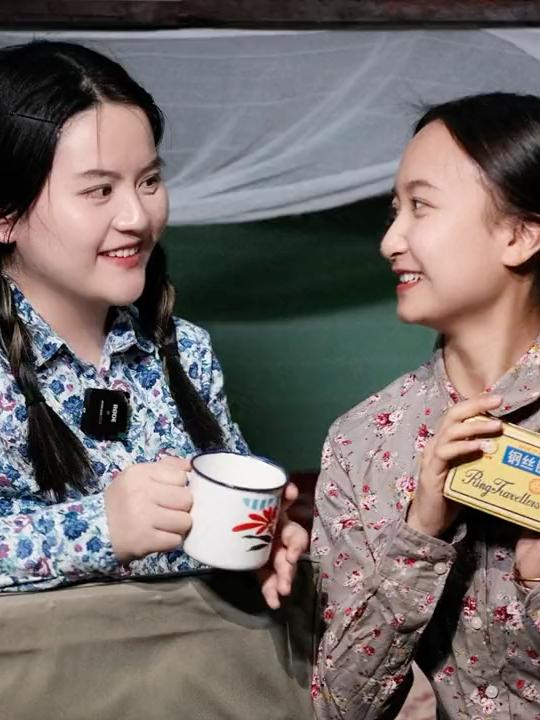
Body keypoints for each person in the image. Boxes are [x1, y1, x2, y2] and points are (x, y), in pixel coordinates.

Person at [0, 39, 307, 607]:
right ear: (6, 216)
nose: (138, 217)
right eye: (99, 190)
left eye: (148, 180)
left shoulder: (185, 351)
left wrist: (260, 542)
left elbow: (224, 516)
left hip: (191, 656)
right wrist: (103, 528)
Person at [311, 92, 540, 719]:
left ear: (520, 235)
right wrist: (422, 534)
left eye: (421, 206)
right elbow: (339, 709)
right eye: (395, 210)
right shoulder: (362, 442)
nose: (391, 241)